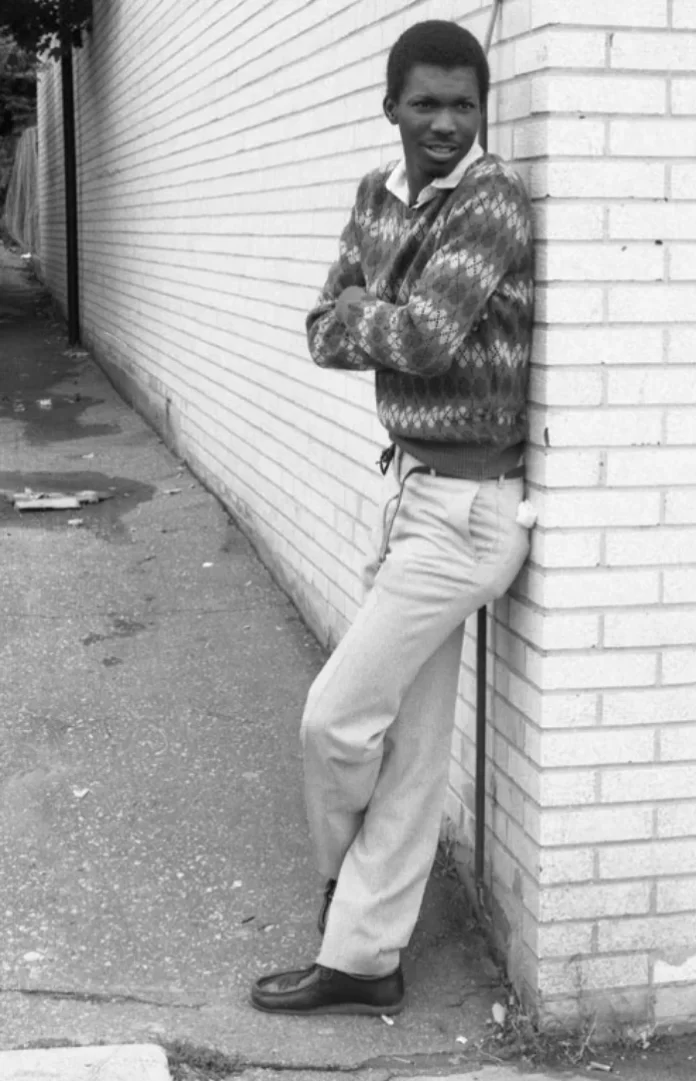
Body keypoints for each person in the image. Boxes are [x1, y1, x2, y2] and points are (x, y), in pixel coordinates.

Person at [250, 18, 534, 1017]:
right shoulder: (379, 199)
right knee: (411, 747)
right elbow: (317, 327)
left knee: (334, 719)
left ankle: (348, 899)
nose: (448, 123)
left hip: (466, 517)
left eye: (464, 103)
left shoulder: (492, 204)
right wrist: (370, 309)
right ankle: (366, 955)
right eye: (427, 103)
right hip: (416, 493)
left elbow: (421, 338)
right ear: (392, 107)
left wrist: (372, 306)